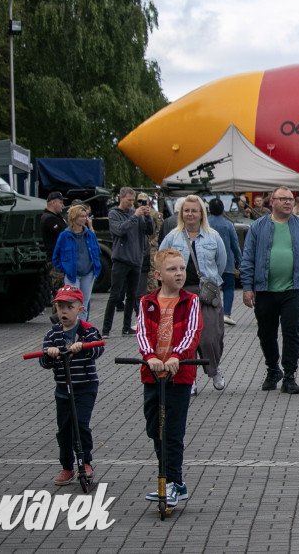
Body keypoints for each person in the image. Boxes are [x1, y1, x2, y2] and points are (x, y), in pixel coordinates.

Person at [136, 248, 202, 508]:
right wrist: (150, 355)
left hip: (179, 375)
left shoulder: (190, 300)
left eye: (182, 269)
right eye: (172, 269)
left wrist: (177, 355)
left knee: (172, 431)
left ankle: (172, 482)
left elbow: (192, 331)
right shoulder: (147, 302)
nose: (179, 274)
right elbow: (141, 332)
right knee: (155, 429)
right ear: (158, 275)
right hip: (152, 375)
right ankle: (175, 482)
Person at [240, 186, 299, 394]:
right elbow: (247, 258)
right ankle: (273, 369)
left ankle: (290, 376)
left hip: (293, 290)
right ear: (271, 202)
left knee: (291, 333)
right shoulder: (258, 227)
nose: (288, 203)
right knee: (266, 334)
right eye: (283, 199)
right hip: (264, 290)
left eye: (291, 199)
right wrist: (247, 287)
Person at [160, 196, 228, 393]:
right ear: (181, 214)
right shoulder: (173, 237)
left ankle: (214, 369)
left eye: (194, 211)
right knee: (183, 338)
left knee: (210, 337)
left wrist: (209, 282)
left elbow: (221, 264)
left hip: (206, 293)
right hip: (180, 293)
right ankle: (189, 376)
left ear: (201, 214)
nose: (190, 214)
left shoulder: (212, 236)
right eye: (186, 210)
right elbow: (161, 260)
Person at [39, 285, 104, 486]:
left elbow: (97, 350)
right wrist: (49, 354)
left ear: (80, 309)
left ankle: (86, 462)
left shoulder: (88, 331)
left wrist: (82, 347)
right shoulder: (53, 334)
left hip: (85, 387)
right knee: (64, 429)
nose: (64, 312)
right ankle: (67, 466)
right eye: (60, 307)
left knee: (80, 424)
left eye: (69, 307)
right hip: (63, 389)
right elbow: (43, 361)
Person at [102, 187, 154, 337]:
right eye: (129, 200)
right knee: (115, 294)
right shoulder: (114, 214)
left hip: (136, 260)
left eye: (133, 200)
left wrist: (147, 216)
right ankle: (106, 329)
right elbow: (119, 230)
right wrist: (134, 216)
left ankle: (126, 327)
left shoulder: (136, 214)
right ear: (121, 198)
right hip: (120, 260)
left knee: (132, 295)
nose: (132, 203)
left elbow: (149, 231)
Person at [52, 204, 102, 322]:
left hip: (88, 274)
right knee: (72, 303)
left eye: (85, 216)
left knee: (83, 304)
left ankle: (83, 330)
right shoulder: (65, 235)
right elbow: (56, 256)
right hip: (72, 275)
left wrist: (95, 267)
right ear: (74, 218)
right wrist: (64, 268)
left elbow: (97, 252)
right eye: (81, 216)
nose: (85, 219)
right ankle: (72, 328)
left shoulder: (89, 234)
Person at [207, 198, 242, 326]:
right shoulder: (228, 225)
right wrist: (240, 262)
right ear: (223, 209)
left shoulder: (204, 224)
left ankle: (211, 315)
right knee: (228, 288)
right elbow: (235, 245)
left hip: (209, 263)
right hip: (227, 263)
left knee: (210, 289)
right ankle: (226, 314)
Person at [41, 191, 67, 297]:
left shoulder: (55, 217)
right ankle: (58, 313)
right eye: (60, 202)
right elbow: (63, 234)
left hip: (60, 258)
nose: (62, 205)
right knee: (60, 292)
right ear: (52, 202)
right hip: (55, 260)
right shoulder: (49, 218)